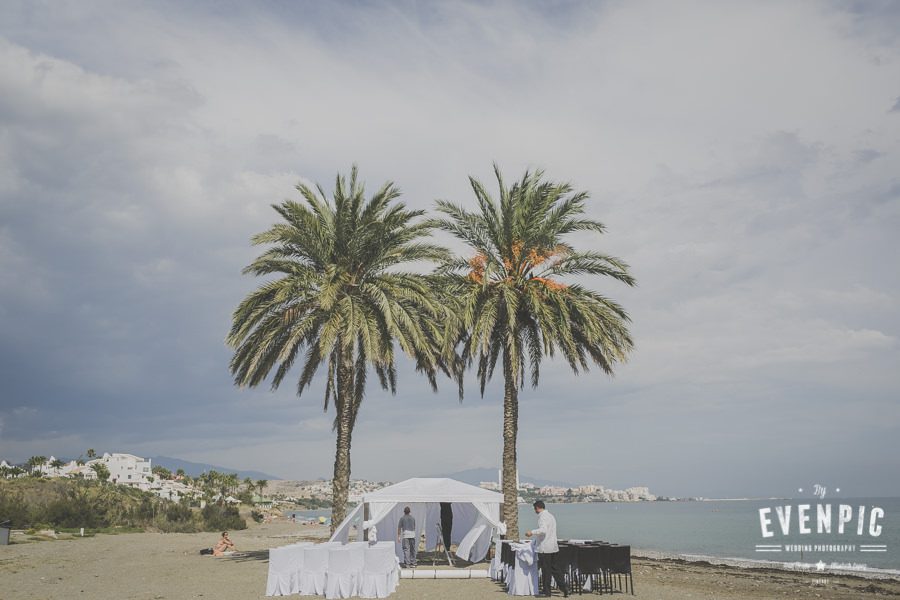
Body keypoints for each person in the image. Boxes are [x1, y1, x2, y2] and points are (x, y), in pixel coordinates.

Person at [526, 500, 568, 597]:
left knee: (546, 570)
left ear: (537, 508)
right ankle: (564, 587)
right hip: (553, 546)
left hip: (545, 547)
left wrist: (531, 532)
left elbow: (543, 530)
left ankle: (547, 591)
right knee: (555, 568)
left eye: (534, 509)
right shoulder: (551, 516)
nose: (534, 511)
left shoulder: (542, 517)